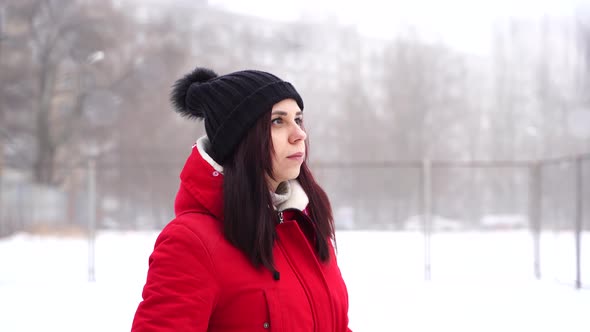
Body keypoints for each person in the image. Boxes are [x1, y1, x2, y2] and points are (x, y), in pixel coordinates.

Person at [131, 67, 351, 331]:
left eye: (298, 119)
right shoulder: (191, 243)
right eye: (277, 121)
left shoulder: (308, 230)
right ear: (241, 139)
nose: (299, 134)